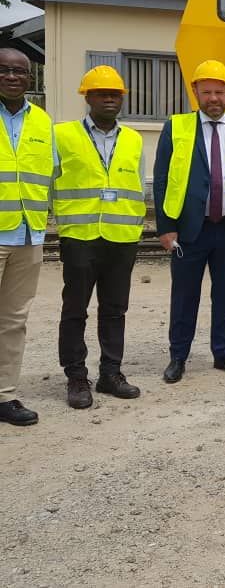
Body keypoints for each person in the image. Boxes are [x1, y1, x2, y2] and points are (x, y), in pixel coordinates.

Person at [153, 59, 225, 383]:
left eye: (219, 92)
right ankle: (178, 357)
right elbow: (161, 179)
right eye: (207, 92)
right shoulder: (176, 127)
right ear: (195, 92)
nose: (213, 98)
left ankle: (223, 352)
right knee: (185, 296)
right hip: (191, 229)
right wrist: (165, 227)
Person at [53, 66, 146, 409]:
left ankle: (111, 373)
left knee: (114, 310)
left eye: (115, 93)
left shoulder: (134, 139)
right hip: (80, 237)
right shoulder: (62, 135)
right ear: (87, 97)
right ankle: (77, 377)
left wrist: (135, 229)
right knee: (75, 309)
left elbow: (136, 186)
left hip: (121, 239)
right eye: (101, 93)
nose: (109, 98)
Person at [0, 49, 55, 427]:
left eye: (19, 71)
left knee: (13, 320)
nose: (12, 76)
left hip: (28, 234)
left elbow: (48, 174)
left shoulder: (42, 122)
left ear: (30, 77)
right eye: (3, 70)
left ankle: (4, 395)